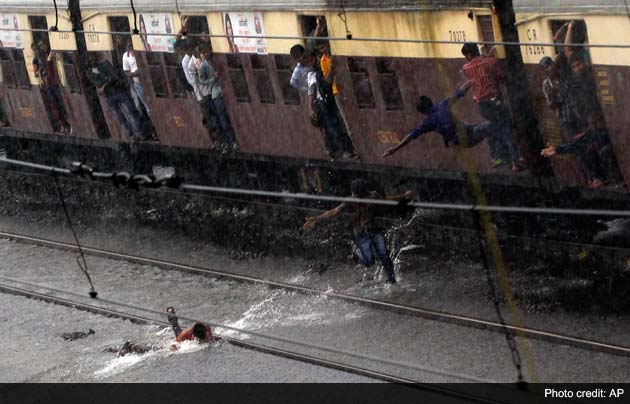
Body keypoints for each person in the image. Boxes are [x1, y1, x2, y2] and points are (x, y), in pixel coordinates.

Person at [303, 179, 415, 284]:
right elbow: (335, 211)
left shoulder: (371, 196)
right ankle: (356, 250)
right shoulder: (354, 200)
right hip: (361, 232)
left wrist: (403, 196)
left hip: (372, 229)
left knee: (384, 255)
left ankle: (392, 280)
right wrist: (317, 218)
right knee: (369, 261)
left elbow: (386, 200)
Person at [541, 54, 623, 188]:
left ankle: (609, 178)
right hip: (571, 119)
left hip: (580, 118)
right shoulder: (551, 84)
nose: (549, 69)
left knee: (601, 149)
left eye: (550, 65)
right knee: (592, 149)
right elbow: (579, 140)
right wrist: (558, 149)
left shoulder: (571, 80)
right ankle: (600, 177)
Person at [381, 82, 506, 158]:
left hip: (463, 140)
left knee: (487, 128)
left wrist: (395, 149)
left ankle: (499, 155)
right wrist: (472, 79)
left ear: (423, 112)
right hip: (468, 133)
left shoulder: (428, 122)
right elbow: (461, 91)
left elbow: (410, 136)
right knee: (492, 125)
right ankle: (498, 155)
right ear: (431, 101)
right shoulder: (443, 104)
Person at [461, 42, 522, 171]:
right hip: (495, 101)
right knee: (506, 128)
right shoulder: (491, 62)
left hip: (483, 105)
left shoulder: (466, 68)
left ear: (469, 54)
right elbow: (501, 76)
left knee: (493, 127)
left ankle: (497, 158)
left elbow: (472, 71)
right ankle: (515, 161)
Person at [306, 52, 358, 160]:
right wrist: (311, 107)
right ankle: (343, 150)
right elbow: (312, 90)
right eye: (308, 62)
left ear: (315, 57)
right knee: (333, 128)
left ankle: (346, 150)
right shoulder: (312, 74)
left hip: (329, 99)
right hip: (324, 102)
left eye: (311, 60)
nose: (311, 64)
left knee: (337, 126)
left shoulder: (320, 67)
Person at [85, 54, 143, 141]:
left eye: (93, 58)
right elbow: (97, 82)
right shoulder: (89, 73)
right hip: (109, 96)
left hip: (117, 90)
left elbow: (114, 76)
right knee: (120, 117)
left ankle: (138, 132)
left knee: (130, 112)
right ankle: (131, 133)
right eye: (90, 60)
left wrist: (104, 85)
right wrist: (106, 80)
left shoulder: (105, 64)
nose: (92, 60)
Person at [197, 44, 238, 150]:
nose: (207, 53)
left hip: (223, 92)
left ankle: (231, 141)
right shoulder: (203, 66)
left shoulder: (214, 60)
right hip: (216, 94)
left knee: (225, 118)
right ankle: (231, 141)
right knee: (223, 119)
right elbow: (201, 81)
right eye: (205, 52)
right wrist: (213, 79)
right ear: (201, 54)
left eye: (208, 50)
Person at [32, 41, 72, 135]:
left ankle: (66, 123)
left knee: (60, 103)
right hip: (48, 84)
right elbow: (35, 73)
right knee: (55, 104)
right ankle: (62, 124)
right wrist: (41, 72)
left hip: (55, 82)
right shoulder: (36, 59)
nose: (41, 48)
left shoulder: (48, 54)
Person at [121, 41, 157, 141]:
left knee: (151, 106)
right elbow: (126, 71)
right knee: (144, 107)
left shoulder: (141, 52)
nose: (130, 51)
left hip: (149, 82)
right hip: (137, 84)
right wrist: (134, 74)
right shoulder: (126, 56)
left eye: (131, 48)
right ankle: (152, 130)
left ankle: (156, 129)